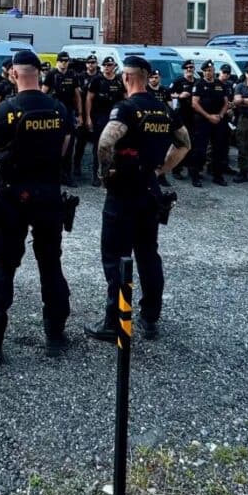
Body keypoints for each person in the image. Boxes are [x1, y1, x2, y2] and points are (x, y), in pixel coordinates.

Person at [84, 56, 190, 343]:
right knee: (148, 254)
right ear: (146, 76)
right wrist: (161, 170)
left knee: (115, 258)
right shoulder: (164, 109)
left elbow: (105, 142)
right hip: (149, 190)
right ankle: (150, 317)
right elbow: (184, 143)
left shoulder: (126, 108)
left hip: (124, 190)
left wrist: (104, 173)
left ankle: (114, 321)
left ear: (127, 78)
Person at [0, 48, 73, 363]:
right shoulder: (58, 109)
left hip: (11, 193)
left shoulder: (5, 110)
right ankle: (55, 335)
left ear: (14, 74)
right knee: (51, 263)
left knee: (4, 264)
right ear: (39, 73)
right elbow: (63, 148)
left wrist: (7, 165)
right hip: (47, 193)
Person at [83, 56, 126, 187]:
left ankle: (111, 175)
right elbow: (89, 99)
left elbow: (125, 98)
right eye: (105, 65)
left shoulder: (119, 81)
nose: (107, 67)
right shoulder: (97, 80)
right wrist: (88, 117)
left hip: (115, 117)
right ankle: (97, 174)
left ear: (114, 66)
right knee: (99, 146)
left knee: (115, 146)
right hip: (99, 116)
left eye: (110, 65)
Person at [42, 51, 83, 185]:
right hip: (54, 111)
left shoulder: (72, 75)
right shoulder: (51, 74)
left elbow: (77, 96)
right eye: (62, 61)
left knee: (69, 144)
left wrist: (79, 114)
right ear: (57, 62)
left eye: (66, 61)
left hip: (68, 111)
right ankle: (52, 174)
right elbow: (43, 93)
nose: (64, 64)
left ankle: (67, 175)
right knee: (52, 142)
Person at [188, 61, 230, 188]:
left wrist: (220, 115)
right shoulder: (199, 84)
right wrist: (208, 116)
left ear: (214, 71)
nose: (208, 73)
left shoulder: (220, 84)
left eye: (210, 70)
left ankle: (218, 175)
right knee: (200, 149)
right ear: (203, 72)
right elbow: (194, 103)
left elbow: (226, 102)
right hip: (203, 121)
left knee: (219, 149)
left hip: (218, 120)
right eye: (205, 70)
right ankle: (195, 175)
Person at [71, 55, 100, 180]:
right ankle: (77, 165)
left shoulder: (100, 77)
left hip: (97, 113)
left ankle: (96, 172)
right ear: (86, 64)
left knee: (97, 144)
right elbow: (76, 95)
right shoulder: (80, 77)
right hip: (82, 111)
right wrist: (78, 114)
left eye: (93, 62)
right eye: (89, 62)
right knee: (80, 143)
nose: (91, 65)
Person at [169, 60, 197, 179]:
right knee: (180, 142)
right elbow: (168, 93)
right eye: (187, 67)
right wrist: (179, 95)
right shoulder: (178, 81)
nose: (189, 69)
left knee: (193, 144)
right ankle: (176, 169)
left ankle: (192, 169)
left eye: (191, 67)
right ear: (184, 69)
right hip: (182, 115)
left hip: (194, 116)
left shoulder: (197, 82)